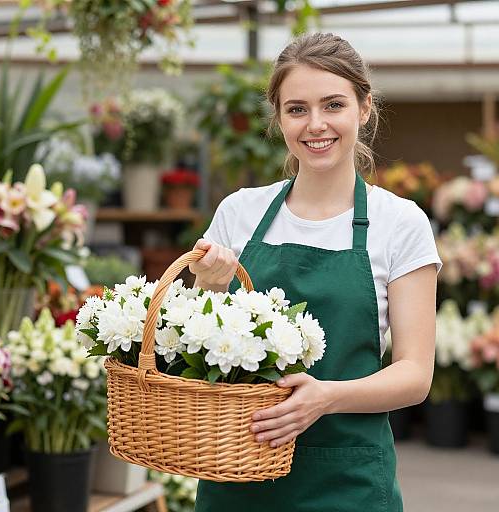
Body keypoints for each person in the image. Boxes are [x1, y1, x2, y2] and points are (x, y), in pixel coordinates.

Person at [189, 32, 442, 512]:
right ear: (279, 117)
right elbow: (196, 351)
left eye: (333, 105)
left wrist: (324, 398)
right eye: (297, 109)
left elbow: (415, 374)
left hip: (348, 480)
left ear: (363, 108)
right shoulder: (239, 212)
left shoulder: (400, 223)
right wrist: (210, 284)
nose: (316, 124)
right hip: (236, 472)